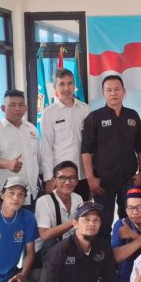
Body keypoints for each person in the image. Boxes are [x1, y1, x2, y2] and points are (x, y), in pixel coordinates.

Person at [81, 75, 141, 243]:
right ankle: (103, 256)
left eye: (117, 89)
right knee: (103, 222)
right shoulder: (94, 117)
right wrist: (90, 178)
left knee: (130, 220)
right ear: (103, 93)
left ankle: (129, 254)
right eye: (109, 90)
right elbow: (86, 150)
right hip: (103, 182)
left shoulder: (132, 116)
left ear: (124, 91)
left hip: (129, 179)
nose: (113, 93)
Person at [0, 89, 42, 209]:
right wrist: (7, 164)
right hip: (6, 196)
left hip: (30, 193)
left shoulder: (31, 129)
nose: (17, 109)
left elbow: (38, 158)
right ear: (3, 108)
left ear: (26, 108)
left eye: (21, 105)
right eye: (12, 105)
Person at [40, 68, 91, 201]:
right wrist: (48, 178)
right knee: (61, 211)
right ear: (55, 87)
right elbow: (46, 148)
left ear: (74, 85)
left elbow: (92, 143)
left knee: (82, 211)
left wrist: (92, 175)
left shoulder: (85, 109)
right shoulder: (49, 113)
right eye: (61, 84)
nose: (66, 88)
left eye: (70, 83)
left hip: (83, 174)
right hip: (61, 177)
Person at [33, 160, 83, 265]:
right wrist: (73, 222)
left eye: (72, 178)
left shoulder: (78, 198)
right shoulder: (44, 201)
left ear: (77, 181)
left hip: (69, 246)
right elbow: (45, 235)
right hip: (45, 251)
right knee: (51, 243)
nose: (67, 182)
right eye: (62, 178)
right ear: (54, 181)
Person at [110, 186, 141, 282]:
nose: (135, 212)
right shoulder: (121, 224)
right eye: (130, 208)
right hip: (126, 281)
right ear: (126, 210)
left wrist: (132, 235)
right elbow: (116, 256)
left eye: (140, 207)